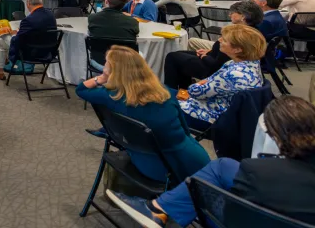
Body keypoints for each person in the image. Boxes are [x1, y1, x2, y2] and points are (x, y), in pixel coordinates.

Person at [108, 95, 315, 228]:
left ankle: (159, 209)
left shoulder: (257, 170)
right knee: (223, 166)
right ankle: (159, 209)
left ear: (274, 135)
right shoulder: (260, 171)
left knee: (213, 185)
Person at [78, 46, 210, 181]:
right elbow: (186, 131)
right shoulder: (165, 94)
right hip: (187, 166)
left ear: (113, 71)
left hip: (146, 164)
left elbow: (81, 89)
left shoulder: (111, 96)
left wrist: (101, 78)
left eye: (106, 63)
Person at [177, 24, 265, 131]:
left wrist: (198, 84)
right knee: (165, 94)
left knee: (157, 103)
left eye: (224, 39)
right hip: (225, 110)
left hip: (210, 116)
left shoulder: (234, 74)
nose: (219, 40)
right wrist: (204, 83)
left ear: (237, 49)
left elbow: (195, 92)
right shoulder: (252, 64)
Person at [164, 1, 262, 90]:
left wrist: (204, 56)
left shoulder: (239, 36)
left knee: (172, 57)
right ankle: (183, 88)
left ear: (243, 17)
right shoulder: (251, 32)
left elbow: (217, 65)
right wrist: (209, 52)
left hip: (212, 68)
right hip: (214, 58)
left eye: (233, 13)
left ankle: (171, 90)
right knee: (179, 54)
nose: (230, 14)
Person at [0, 0, 57, 80]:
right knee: (5, 41)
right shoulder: (51, 15)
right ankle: (2, 62)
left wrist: (14, 35)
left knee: (2, 37)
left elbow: (18, 40)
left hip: (30, 52)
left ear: (28, 3)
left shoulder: (28, 20)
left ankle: (1, 67)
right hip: (48, 52)